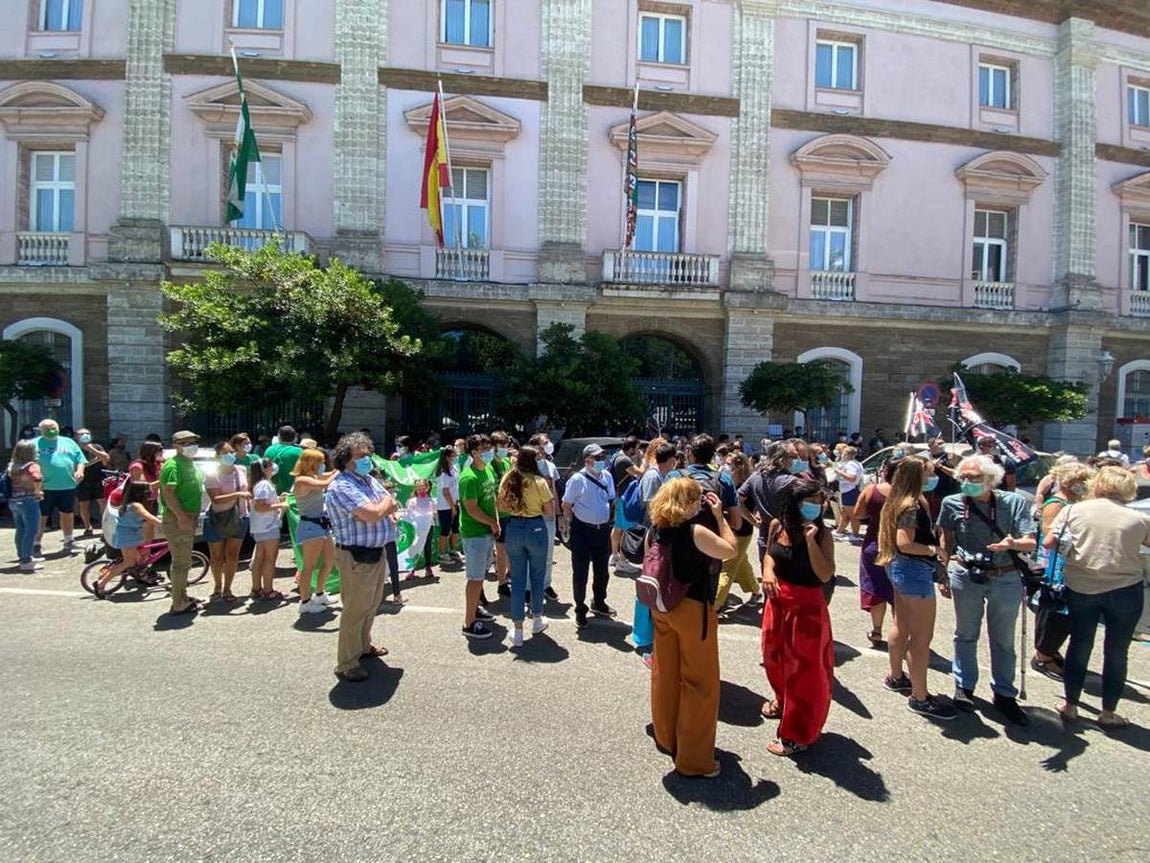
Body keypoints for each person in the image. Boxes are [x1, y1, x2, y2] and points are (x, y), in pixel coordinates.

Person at [1045, 467, 1150, 727]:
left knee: (1080, 645)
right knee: (1117, 651)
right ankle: (1108, 713)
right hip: (1125, 587)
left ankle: (1070, 706)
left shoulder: (1072, 511)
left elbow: (1050, 542)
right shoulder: (1138, 518)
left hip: (1082, 585)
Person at [937, 454, 1036, 725]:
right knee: (965, 633)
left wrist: (1011, 544)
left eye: (975, 478)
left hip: (1006, 577)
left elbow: (1030, 542)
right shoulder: (952, 503)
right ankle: (964, 685)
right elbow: (945, 540)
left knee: (1003, 638)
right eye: (964, 477)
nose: (967, 482)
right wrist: (943, 573)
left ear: (991, 479)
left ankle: (1004, 693)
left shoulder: (1014, 502)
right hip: (966, 576)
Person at [647, 477, 736, 778]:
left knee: (665, 673)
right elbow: (730, 550)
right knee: (701, 684)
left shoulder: (656, 530)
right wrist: (720, 517)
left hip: (661, 607)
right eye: (697, 499)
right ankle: (695, 760)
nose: (700, 504)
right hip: (693, 608)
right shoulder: (695, 531)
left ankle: (666, 736)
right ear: (687, 503)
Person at [760, 478, 836, 756]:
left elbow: (825, 573)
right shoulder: (777, 526)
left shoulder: (822, 535)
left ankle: (796, 734)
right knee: (774, 658)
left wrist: (809, 541)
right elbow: (771, 555)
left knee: (804, 670)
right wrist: (767, 571)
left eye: (820, 501)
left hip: (807, 607)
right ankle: (783, 701)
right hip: (777, 602)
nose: (817, 506)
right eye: (811, 501)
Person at [877, 459, 956, 719]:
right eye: (930, 473)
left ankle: (896, 676)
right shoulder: (910, 504)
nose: (934, 477)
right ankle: (920, 697)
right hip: (913, 570)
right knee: (921, 637)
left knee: (902, 625)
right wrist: (935, 550)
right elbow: (905, 543)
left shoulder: (900, 500)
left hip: (900, 568)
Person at [325, 432, 397, 682]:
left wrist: (383, 505)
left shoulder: (367, 481)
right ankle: (347, 663)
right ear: (346, 459)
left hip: (375, 552)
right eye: (360, 455)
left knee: (371, 605)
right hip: (356, 556)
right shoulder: (343, 485)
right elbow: (373, 513)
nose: (367, 459)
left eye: (368, 454)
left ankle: (363, 647)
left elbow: (389, 504)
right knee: (355, 609)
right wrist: (382, 506)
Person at [1029, 460, 1094, 679]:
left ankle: (1050, 650)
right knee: (1054, 610)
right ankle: (1043, 656)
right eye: (1080, 481)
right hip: (1056, 564)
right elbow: (1050, 536)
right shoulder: (1056, 504)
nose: (1084, 485)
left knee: (1065, 614)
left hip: (1071, 563)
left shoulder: (1079, 503)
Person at [497, 446, 555, 646]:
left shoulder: (508, 478)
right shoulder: (539, 482)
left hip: (514, 527)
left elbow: (501, 505)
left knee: (518, 578)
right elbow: (549, 510)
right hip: (536, 527)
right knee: (537, 576)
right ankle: (537, 618)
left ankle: (518, 629)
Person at [561, 443, 617, 629]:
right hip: (582, 530)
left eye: (602, 457)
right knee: (581, 573)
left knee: (602, 571)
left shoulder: (607, 476)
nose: (601, 460)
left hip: (602, 530)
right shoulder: (577, 479)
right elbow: (566, 504)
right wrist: (569, 525)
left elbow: (610, 499)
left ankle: (599, 602)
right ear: (587, 460)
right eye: (597, 457)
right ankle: (580, 609)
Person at [851, 455, 901, 654]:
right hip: (900, 549)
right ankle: (900, 631)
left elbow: (858, 514)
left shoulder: (872, 490)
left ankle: (877, 631)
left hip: (874, 544)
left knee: (876, 590)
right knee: (899, 593)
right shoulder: (911, 495)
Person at [159, 430, 206, 615]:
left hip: (189, 516)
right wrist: (182, 517)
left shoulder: (189, 464)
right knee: (180, 562)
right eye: (186, 443)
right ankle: (178, 602)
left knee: (184, 560)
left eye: (193, 442)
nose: (191, 446)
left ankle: (182, 596)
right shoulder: (173, 465)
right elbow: (169, 493)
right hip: (179, 518)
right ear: (176, 446)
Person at [458, 434, 500, 640]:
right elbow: (471, 509)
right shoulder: (469, 477)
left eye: (489, 448)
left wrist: (496, 521)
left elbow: (491, 499)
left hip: (487, 532)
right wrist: (492, 522)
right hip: (475, 533)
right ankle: (468, 622)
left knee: (480, 575)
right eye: (484, 450)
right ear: (473, 453)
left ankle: (475, 609)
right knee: (475, 578)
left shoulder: (489, 469)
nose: (489, 452)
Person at [93, 482, 163, 598]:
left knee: (140, 557)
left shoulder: (127, 503)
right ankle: (101, 584)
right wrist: (163, 523)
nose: (149, 493)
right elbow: (148, 517)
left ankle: (143, 575)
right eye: (146, 492)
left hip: (130, 535)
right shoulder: (136, 505)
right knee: (128, 562)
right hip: (128, 537)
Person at [203, 441, 251, 603]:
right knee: (216, 556)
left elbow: (248, 490)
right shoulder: (212, 474)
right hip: (217, 518)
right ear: (218, 456)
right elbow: (215, 499)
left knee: (232, 555)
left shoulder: (241, 470)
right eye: (225, 453)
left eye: (231, 452)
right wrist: (237, 494)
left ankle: (227, 588)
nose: (229, 455)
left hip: (240, 517)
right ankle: (217, 586)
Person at [292, 447, 338, 614]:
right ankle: (305, 602)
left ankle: (319, 594)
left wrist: (341, 467)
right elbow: (327, 482)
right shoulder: (302, 480)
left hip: (321, 525)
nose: (323, 466)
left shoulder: (313, 476)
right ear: (311, 463)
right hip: (310, 527)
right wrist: (341, 469)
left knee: (329, 560)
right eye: (320, 462)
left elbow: (328, 475)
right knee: (308, 566)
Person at [715, 450, 761, 608]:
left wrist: (754, 521)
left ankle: (715, 606)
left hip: (742, 531)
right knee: (740, 563)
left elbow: (743, 506)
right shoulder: (726, 483)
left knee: (727, 567)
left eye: (729, 464)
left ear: (739, 466)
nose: (725, 467)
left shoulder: (746, 484)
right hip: (728, 529)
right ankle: (756, 591)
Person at [34, 418, 86, 554]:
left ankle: (68, 540)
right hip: (44, 487)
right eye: (47, 428)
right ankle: (36, 542)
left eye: (53, 427)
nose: (51, 430)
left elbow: (80, 459)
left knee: (67, 513)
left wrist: (80, 471)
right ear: (41, 430)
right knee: (42, 515)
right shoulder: (33, 444)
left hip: (67, 485)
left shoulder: (68, 442)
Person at [248, 457, 288, 601]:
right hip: (267, 526)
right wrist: (279, 506)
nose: (273, 468)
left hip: (260, 526)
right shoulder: (264, 484)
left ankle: (257, 588)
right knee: (269, 558)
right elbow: (260, 506)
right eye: (270, 465)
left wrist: (278, 499)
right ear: (264, 469)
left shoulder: (260, 484)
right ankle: (268, 590)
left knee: (260, 557)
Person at [528, 432, 561, 602]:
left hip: (548, 517)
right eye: (543, 443)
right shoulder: (526, 466)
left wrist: (558, 514)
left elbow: (553, 490)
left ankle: (546, 584)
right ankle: (528, 588)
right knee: (531, 555)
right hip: (532, 516)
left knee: (548, 554)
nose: (547, 446)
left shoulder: (550, 466)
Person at [609, 436, 644, 574]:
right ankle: (622, 561)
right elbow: (640, 473)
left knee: (618, 527)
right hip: (625, 497)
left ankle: (614, 555)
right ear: (631, 448)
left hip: (619, 496)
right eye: (637, 448)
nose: (638, 450)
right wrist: (644, 459)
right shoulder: (624, 460)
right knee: (625, 528)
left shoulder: (617, 456)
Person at [7, 440, 44, 572]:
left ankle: (22, 555)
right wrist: (37, 491)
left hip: (14, 501)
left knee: (20, 529)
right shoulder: (32, 465)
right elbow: (37, 478)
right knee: (32, 530)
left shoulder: (13, 466)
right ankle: (26, 560)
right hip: (29, 500)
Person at [73, 428, 110, 536]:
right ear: (76, 436)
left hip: (98, 478)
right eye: (82, 434)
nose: (85, 435)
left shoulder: (96, 446)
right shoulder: (74, 449)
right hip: (83, 480)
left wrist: (90, 449)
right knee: (84, 504)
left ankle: (105, 527)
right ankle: (87, 527)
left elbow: (106, 458)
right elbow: (78, 465)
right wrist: (95, 460)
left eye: (87, 433)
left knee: (102, 502)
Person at [491, 430, 514, 596]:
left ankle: (507, 575)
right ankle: (501, 583)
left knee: (508, 549)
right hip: (497, 514)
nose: (505, 448)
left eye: (507, 445)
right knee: (500, 550)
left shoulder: (506, 462)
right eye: (502, 445)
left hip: (509, 512)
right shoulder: (490, 465)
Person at [129, 441, 164, 545]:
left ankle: (146, 554)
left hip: (153, 501)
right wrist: (163, 481)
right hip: (141, 502)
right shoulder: (137, 466)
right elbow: (143, 487)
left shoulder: (156, 465)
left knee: (149, 531)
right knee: (142, 533)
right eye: (159, 451)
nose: (162, 453)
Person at [435, 446, 463, 565]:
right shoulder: (443, 472)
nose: (455, 457)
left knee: (455, 528)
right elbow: (445, 492)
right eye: (453, 456)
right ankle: (442, 553)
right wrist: (452, 507)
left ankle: (453, 550)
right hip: (445, 506)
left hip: (455, 503)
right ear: (447, 457)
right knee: (445, 530)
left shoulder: (455, 469)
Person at [832, 446, 864, 542]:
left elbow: (852, 478)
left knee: (852, 514)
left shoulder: (851, 464)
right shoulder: (856, 463)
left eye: (844, 453)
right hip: (848, 490)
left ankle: (855, 534)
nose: (842, 455)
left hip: (850, 490)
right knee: (844, 512)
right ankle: (839, 531)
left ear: (848, 454)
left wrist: (839, 472)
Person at [262, 425, 303, 497]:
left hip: (272, 492)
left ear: (279, 436)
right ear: (294, 437)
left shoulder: (269, 449)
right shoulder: (299, 452)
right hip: (291, 493)